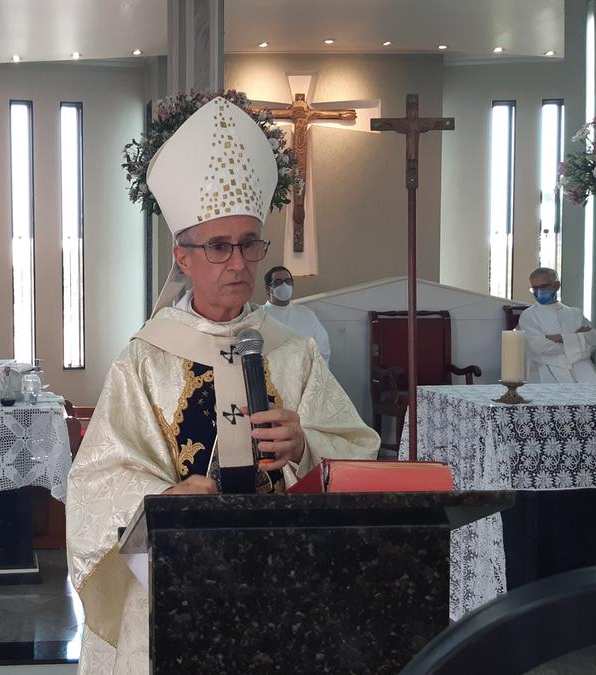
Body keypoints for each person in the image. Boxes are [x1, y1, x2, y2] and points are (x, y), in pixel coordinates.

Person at [66, 97, 380, 675]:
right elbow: (96, 481)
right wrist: (161, 501)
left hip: (287, 584)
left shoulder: (293, 351)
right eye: (218, 246)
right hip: (178, 581)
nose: (239, 263)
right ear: (183, 256)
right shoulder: (146, 361)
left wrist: (306, 445)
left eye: (250, 243)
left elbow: (357, 450)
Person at [518, 267, 596, 383]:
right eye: (535, 288)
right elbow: (539, 347)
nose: (539, 292)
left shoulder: (575, 313)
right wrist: (576, 339)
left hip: (581, 367)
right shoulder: (528, 316)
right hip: (545, 369)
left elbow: (593, 338)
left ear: (556, 286)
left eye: (543, 287)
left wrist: (561, 338)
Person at [263, 265, 331, 362]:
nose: (284, 285)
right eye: (278, 282)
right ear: (268, 289)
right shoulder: (259, 316)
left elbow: (323, 349)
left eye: (288, 281)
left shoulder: (306, 314)